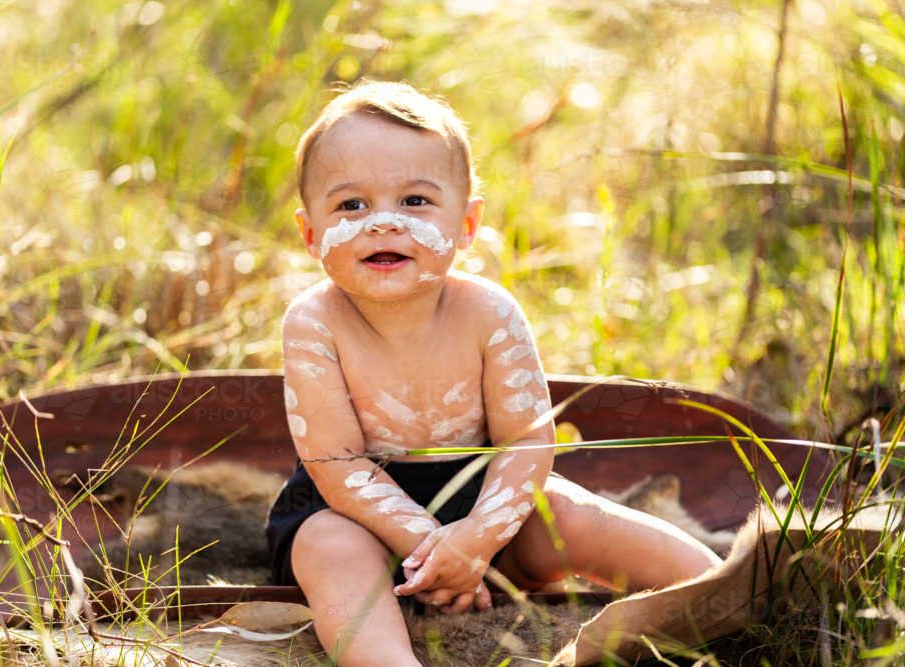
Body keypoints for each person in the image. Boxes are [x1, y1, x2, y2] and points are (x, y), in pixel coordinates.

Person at [266, 81, 721, 666]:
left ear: (467, 224)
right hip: (356, 513)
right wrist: (435, 550)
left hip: (488, 510)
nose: (382, 223)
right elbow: (338, 464)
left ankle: (720, 589)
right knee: (329, 550)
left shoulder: (489, 313)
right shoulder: (314, 322)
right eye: (351, 205)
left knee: (569, 511)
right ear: (309, 234)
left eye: (414, 202)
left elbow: (527, 440)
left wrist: (477, 539)